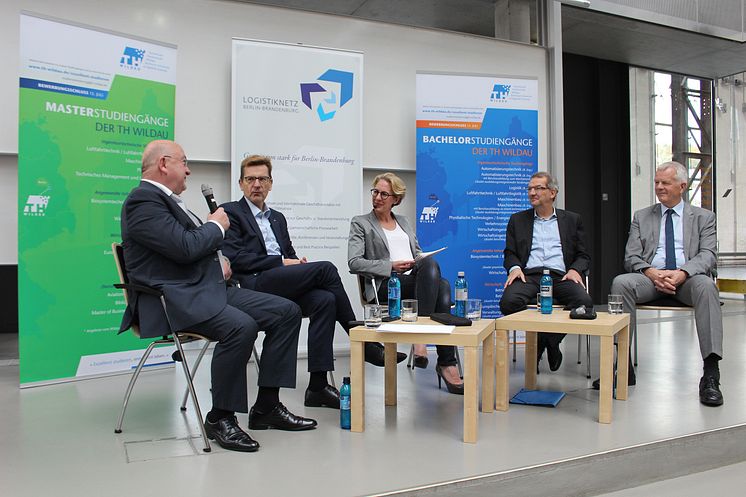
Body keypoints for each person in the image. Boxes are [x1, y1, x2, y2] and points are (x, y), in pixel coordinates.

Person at [119, 140, 317, 453]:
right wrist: (216, 226)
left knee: (287, 312)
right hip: (172, 300)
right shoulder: (143, 201)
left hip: (204, 289)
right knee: (241, 327)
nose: (188, 170)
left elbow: (184, 247)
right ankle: (220, 417)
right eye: (183, 162)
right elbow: (184, 247)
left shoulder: (165, 201)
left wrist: (219, 261)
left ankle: (266, 406)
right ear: (163, 164)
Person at [220, 155, 405, 409]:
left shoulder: (277, 218)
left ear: (271, 183)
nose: (257, 184)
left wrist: (297, 264)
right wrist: (282, 263)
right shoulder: (230, 211)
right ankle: (361, 338)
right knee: (327, 269)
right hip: (253, 284)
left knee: (324, 300)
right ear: (241, 183)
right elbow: (235, 259)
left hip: (278, 280)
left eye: (262, 179)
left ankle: (317, 386)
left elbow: (290, 254)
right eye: (250, 179)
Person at [610, 161, 723, 406]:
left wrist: (682, 272)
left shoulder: (704, 217)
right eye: (656, 182)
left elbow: (708, 255)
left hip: (687, 281)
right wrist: (651, 272)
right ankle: (623, 367)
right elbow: (631, 256)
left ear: (682, 186)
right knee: (621, 283)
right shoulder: (642, 216)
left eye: (665, 183)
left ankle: (711, 374)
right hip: (651, 279)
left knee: (707, 286)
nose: (659, 187)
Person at [348, 172, 463, 395]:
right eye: (375, 192)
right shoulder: (361, 223)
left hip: (416, 281)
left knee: (440, 280)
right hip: (386, 285)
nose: (377, 197)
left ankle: (429, 347)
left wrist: (419, 258)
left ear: (396, 199)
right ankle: (442, 359)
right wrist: (390, 266)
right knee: (442, 283)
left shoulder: (403, 221)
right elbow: (354, 262)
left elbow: (416, 252)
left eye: (384, 194)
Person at [500, 171, 593, 372]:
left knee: (584, 303)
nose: (532, 192)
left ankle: (547, 340)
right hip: (530, 276)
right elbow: (510, 253)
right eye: (529, 189)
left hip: (561, 276)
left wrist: (576, 270)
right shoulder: (517, 220)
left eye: (538, 188)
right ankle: (547, 339)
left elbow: (583, 255)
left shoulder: (572, 220)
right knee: (508, 302)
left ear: (552, 192)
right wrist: (515, 268)